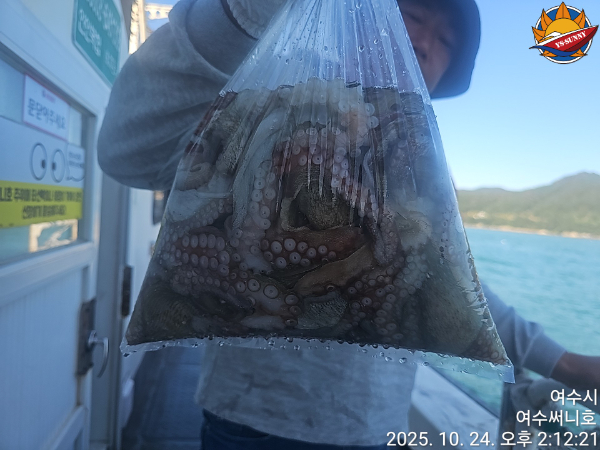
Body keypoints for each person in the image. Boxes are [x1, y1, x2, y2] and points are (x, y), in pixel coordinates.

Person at [98, 0, 600, 448]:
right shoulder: (266, 112)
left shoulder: (419, 169)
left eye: (447, 41)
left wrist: (562, 363)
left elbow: (446, 281)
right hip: (251, 422)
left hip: (376, 426)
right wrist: (247, 10)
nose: (425, 43)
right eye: (413, 16)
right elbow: (129, 153)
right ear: (365, 16)